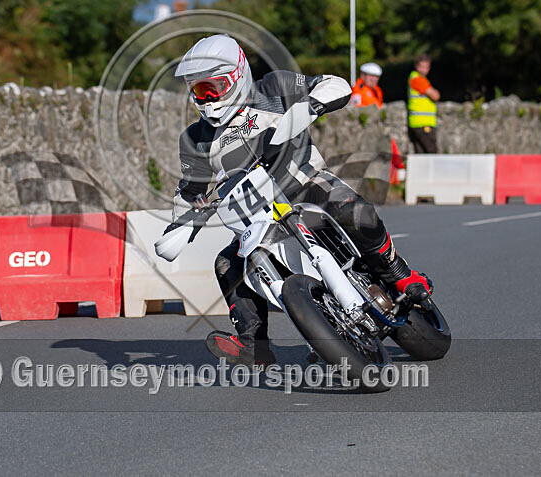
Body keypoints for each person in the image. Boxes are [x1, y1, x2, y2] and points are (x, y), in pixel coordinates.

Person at [168, 34, 432, 366]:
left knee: (356, 213)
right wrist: (180, 223)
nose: (206, 98)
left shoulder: (273, 88)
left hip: (305, 184)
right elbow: (189, 191)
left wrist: (311, 106)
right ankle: (254, 344)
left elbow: (336, 85)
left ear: (236, 76)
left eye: (212, 88)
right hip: (255, 215)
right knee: (227, 264)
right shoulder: (194, 139)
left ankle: (398, 273)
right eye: (198, 91)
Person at [407, 54, 441, 153]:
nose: (424, 70)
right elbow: (435, 96)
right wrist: (435, 92)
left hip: (419, 122)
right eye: (421, 66)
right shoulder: (417, 79)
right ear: (416, 66)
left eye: (426, 67)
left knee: (421, 155)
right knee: (432, 152)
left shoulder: (419, 79)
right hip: (422, 123)